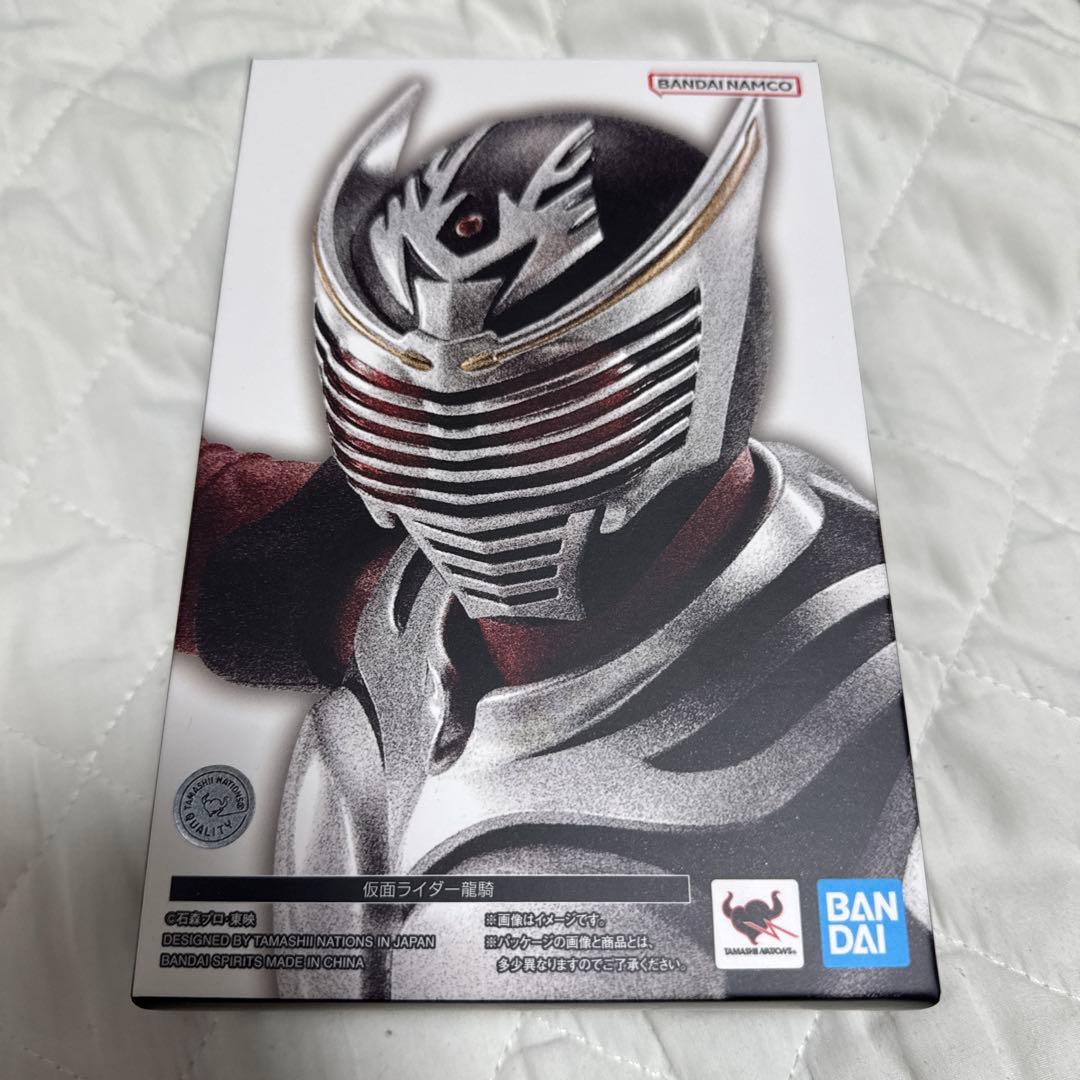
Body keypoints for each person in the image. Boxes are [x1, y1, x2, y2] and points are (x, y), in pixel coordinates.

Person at [179, 86, 933, 1000]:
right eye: (393, 409)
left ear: (703, 375)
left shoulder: (898, 728)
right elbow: (202, 529)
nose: (456, 476)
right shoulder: (387, 600)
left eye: (550, 406)